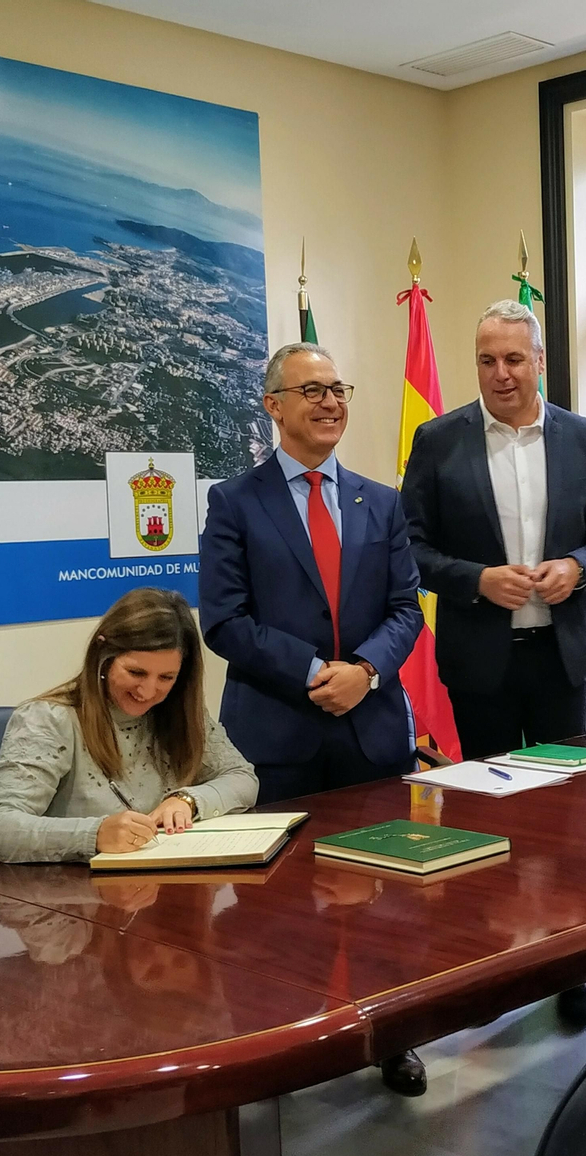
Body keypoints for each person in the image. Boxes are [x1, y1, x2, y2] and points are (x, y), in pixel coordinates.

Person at [199, 342, 428, 1094]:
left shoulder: (381, 500)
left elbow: (405, 610)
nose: (330, 403)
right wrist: (310, 674)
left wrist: (363, 672)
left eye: (338, 389)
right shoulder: (234, 502)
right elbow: (224, 621)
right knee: (279, 907)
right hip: (278, 734)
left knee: (382, 894)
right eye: (312, 391)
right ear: (273, 406)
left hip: (371, 728)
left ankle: (390, 1034)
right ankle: (282, 1044)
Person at [400, 299, 586, 1029]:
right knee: (487, 816)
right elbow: (411, 548)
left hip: (559, 658)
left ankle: (571, 965)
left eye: (514, 359)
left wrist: (577, 568)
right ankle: (493, 961)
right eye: (487, 360)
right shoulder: (439, 440)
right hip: (481, 662)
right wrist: (475, 579)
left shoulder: (578, 434)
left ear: (538, 361)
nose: (501, 373)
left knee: (566, 820)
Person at [0, 588, 257, 863]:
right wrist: (93, 835)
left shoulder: (177, 711)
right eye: (136, 672)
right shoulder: (48, 719)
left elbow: (242, 777)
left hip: (159, 889)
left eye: (166, 678)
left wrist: (188, 800)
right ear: (103, 655)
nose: (147, 691)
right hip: (70, 894)